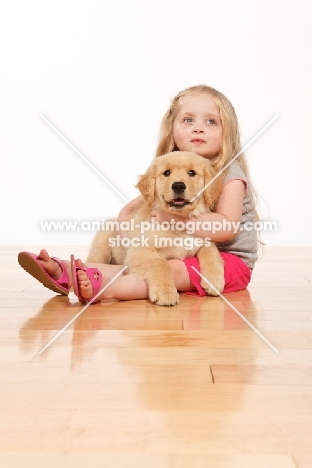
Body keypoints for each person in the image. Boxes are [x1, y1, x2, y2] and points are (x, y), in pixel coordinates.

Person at [18, 84, 258, 304]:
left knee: (171, 268)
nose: (198, 128)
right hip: (174, 248)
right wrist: (126, 229)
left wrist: (172, 219)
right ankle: (69, 271)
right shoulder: (164, 166)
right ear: (172, 129)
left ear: (227, 132)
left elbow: (226, 226)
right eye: (188, 120)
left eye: (211, 122)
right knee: (123, 244)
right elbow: (135, 207)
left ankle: (108, 289)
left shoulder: (229, 174)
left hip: (231, 261)